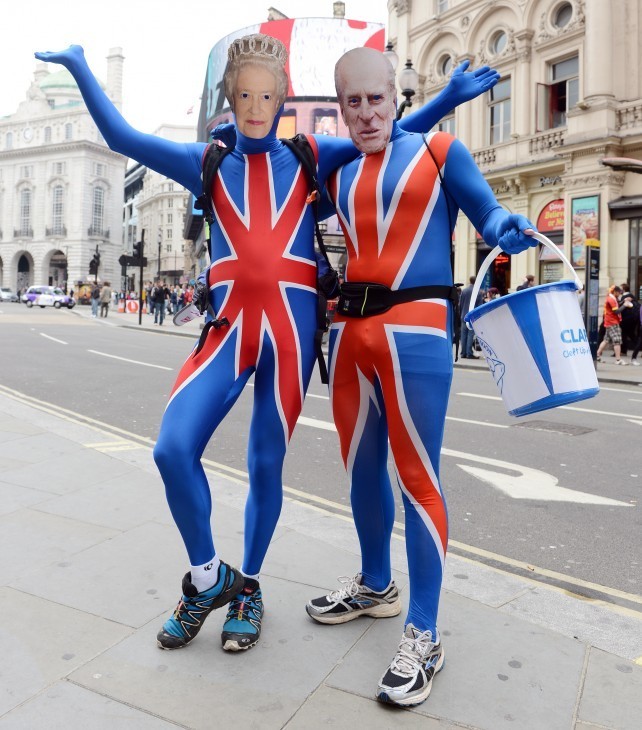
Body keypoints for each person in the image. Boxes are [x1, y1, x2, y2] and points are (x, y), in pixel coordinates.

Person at [35, 40, 498, 655]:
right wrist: (81, 66)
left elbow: (385, 134)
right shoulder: (206, 162)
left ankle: (248, 587)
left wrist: (443, 103)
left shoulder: (312, 157)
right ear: (230, 100)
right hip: (229, 332)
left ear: (284, 99)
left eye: (268, 95)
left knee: (266, 466)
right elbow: (121, 136)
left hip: (293, 337)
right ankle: (207, 578)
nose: (256, 107)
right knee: (172, 449)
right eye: (245, 95)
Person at [304, 47, 537, 708]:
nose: (367, 111)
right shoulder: (342, 168)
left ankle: (425, 633)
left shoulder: (440, 151)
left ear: (395, 97)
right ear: (341, 106)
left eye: (377, 98)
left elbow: (486, 214)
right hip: (350, 334)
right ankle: (376, 584)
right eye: (352, 101)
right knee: (357, 470)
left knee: (417, 479)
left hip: (415, 332)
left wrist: (506, 226)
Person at [596, 285, 632, 365]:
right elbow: (616, 311)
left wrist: (623, 301)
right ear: (615, 292)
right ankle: (618, 359)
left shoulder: (611, 298)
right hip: (613, 322)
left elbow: (617, 304)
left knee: (606, 340)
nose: (619, 294)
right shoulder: (611, 299)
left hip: (609, 322)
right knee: (617, 341)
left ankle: (597, 355)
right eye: (619, 292)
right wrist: (625, 305)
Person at [458, 276, 482, 358]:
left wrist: (461, 314)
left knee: (463, 335)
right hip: (472, 317)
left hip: (463, 316)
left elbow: (460, 304)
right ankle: (469, 353)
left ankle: (463, 353)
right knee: (470, 335)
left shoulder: (464, 291)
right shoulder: (478, 292)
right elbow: (479, 306)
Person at [619, 283, 639, 356]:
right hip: (633, 319)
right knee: (631, 335)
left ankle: (623, 351)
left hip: (625, 319)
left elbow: (620, 308)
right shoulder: (632, 296)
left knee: (625, 335)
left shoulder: (624, 297)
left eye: (620, 288)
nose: (619, 290)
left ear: (623, 289)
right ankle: (623, 350)